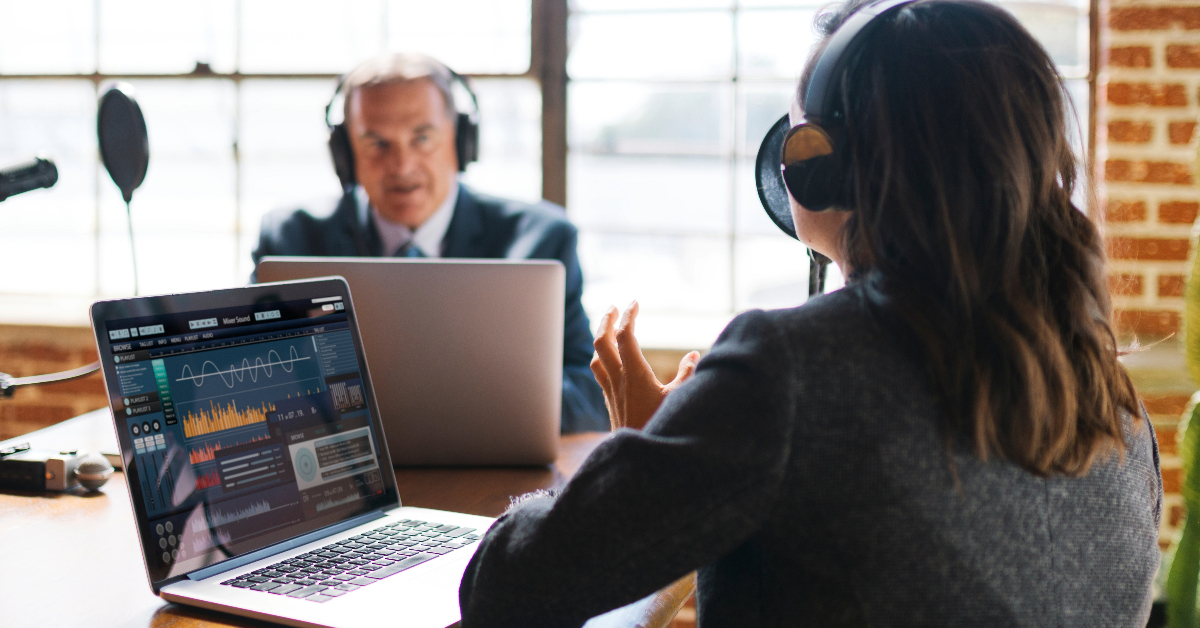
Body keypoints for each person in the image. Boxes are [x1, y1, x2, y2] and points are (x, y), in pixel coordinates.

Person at [457, 0, 1163, 625]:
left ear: (818, 167)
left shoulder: (791, 368)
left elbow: (509, 587)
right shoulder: (1115, 399)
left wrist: (633, 457)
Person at [252, 53, 608, 434]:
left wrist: (487, 403)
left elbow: (591, 396)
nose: (402, 165)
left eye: (422, 138)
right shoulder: (290, 240)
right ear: (345, 154)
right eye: (377, 143)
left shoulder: (541, 239)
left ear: (461, 140)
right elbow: (251, 387)